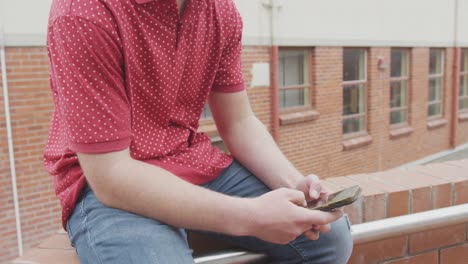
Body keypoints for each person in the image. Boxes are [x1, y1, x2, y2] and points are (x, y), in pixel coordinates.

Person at [44, 0, 353, 263]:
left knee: (330, 239)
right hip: (108, 182)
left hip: (188, 157)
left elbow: (239, 122)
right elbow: (111, 176)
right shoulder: (84, 13)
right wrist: (252, 217)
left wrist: (295, 184)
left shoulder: (219, 10)